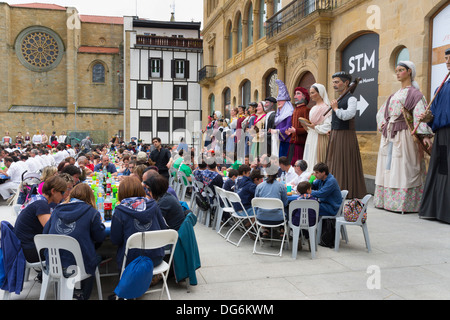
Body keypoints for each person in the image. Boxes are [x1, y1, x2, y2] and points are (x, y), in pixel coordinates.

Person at [375, 61, 433, 213]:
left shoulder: (415, 94)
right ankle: (386, 201)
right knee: (389, 166)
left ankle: (404, 203)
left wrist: (424, 135)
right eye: (397, 70)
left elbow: (419, 115)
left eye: (401, 70)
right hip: (390, 134)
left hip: (405, 135)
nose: (398, 73)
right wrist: (383, 123)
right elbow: (381, 112)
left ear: (409, 72)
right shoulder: (394, 95)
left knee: (403, 166)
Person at [43, 183, 106, 300]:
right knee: (95, 258)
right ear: (90, 197)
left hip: (53, 264)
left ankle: (72, 291)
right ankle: (81, 295)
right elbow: (100, 237)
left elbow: (45, 233)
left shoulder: (57, 210)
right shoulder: (92, 213)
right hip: (78, 266)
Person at [110, 176, 168, 272]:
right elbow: (163, 229)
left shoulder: (120, 211)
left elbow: (115, 240)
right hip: (156, 257)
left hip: (131, 260)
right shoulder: (153, 205)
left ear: (121, 192)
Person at [419, 49, 450, 221]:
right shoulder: (442, 87)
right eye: (446, 58)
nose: (447, 62)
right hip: (442, 135)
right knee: (442, 170)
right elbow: (435, 115)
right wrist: (428, 117)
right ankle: (437, 211)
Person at [327, 71, 367, 199]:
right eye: (333, 82)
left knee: (343, 162)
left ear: (346, 83)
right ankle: (334, 190)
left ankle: (345, 191)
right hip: (335, 134)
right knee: (334, 161)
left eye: (337, 82)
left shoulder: (351, 98)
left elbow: (348, 115)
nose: (335, 84)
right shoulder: (339, 99)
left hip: (345, 135)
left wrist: (336, 109)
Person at [14, 175, 67, 263]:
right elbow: (51, 229)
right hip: (29, 250)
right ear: (53, 191)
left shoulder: (37, 199)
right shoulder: (42, 204)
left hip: (24, 246)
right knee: (68, 250)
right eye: (62, 192)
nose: (63, 195)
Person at [302, 83, 332, 168]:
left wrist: (314, 127)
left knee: (316, 158)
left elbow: (328, 126)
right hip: (311, 136)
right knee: (308, 157)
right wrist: (306, 126)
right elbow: (311, 127)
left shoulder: (326, 108)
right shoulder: (313, 108)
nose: (311, 95)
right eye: (310, 93)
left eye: (313, 92)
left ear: (320, 93)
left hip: (319, 137)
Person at [254, 170, 288, 237]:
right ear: (277, 174)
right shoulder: (281, 186)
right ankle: (282, 230)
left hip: (261, 218)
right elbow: (285, 203)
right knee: (285, 208)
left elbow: (256, 204)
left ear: (266, 173)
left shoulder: (259, 186)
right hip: (278, 219)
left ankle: (266, 230)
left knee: (267, 208)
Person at [287, 87, 311, 166]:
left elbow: (309, 128)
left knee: (298, 166)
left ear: (304, 96)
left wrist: (296, 131)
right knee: (290, 165)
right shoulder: (295, 110)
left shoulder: (306, 110)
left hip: (301, 143)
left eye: (298, 94)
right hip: (293, 143)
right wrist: (290, 132)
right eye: (295, 94)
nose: (295, 97)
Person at [273, 80, 293, 158]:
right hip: (279, 140)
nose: (278, 102)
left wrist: (276, 131)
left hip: (286, 140)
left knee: (284, 158)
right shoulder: (279, 114)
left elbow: (288, 127)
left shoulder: (289, 113)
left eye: (281, 100)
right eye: (278, 100)